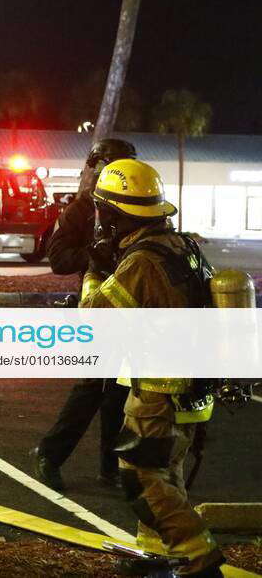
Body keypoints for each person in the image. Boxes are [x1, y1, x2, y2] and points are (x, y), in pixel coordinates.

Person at [80, 158, 223, 578]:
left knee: (142, 477)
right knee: (166, 471)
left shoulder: (141, 261)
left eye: (102, 211)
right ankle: (159, 558)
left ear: (111, 215)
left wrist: (93, 272)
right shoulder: (184, 248)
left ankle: (198, 557)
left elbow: (93, 319)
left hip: (158, 392)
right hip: (194, 388)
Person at [30, 138, 136, 491]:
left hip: (131, 307)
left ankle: (111, 467)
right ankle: (50, 455)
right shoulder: (80, 210)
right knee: (92, 387)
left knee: (121, 393)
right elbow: (58, 259)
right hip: (97, 308)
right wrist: (95, 255)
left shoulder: (135, 207)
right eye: (114, 166)